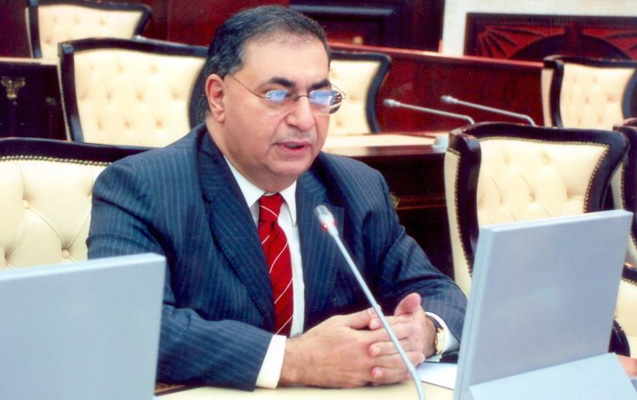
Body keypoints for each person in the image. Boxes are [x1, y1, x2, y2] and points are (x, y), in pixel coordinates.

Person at [87, 5, 467, 390]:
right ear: (218, 97)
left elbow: (441, 294)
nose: (305, 119)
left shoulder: (357, 187)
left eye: (319, 96)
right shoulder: (143, 188)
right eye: (278, 95)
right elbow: (128, 325)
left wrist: (424, 332)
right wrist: (295, 360)